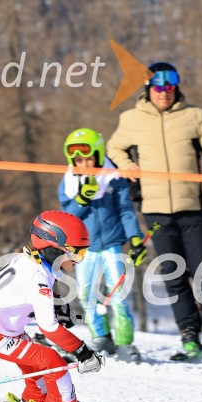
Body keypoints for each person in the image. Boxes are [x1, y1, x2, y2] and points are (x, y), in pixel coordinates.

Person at [106, 61, 202, 365]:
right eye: (158, 87)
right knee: (174, 275)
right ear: (148, 89)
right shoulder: (131, 119)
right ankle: (189, 336)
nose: (164, 93)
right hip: (155, 211)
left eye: (170, 86)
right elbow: (114, 148)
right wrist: (126, 166)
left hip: (191, 208)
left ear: (177, 87)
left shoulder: (194, 116)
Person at [0, 211, 104, 402]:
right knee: (53, 362)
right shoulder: (38, 279)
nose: (79, 261)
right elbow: (49, 327)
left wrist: (58, 304)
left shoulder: (30, 259)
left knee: (36, 365)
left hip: (4, 329)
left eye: (83, 254)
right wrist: (83, 352)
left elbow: (26, 294)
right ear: (55, 248)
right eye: (76, 254)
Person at [58, 128, 146, 363]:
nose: (83, 163)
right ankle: (101, 336)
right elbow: (68, 216)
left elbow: (126, 210)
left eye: (87, 158)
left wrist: (135, 237)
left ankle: (125, 342)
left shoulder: (114, 178)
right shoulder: (68, 183)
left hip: (112, 245)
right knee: (87, 294)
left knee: (118, 294)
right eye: (78, 160)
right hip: (85, 248)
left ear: (97, 155)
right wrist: (82, 199)